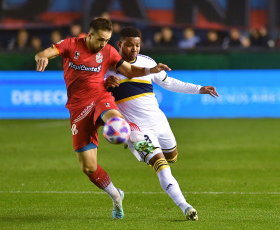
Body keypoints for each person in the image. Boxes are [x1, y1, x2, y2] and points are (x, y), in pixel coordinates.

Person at [35, 18, 170, 220]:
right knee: (88, 167)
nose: (103, 44)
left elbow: (130, 71)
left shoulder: (108, 51)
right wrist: (41, 56)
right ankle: (116, 196)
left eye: (107, 40)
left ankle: (139, 140)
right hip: (78, 109)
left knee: (116, 122)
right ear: (89, 35)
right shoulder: (71, 45)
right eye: (100, 40)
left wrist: (151, 70)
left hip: (101, 98)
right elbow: (45, 53)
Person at [104, 27, 219, 221]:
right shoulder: (107, 70)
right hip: (136, 130)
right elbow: (96, 94)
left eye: (137, 45)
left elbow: (169, 82)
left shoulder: (146, 62)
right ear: (119, 44)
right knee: (161, 165)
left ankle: (140, 151)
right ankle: (186, 207)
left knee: (172, 156)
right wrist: (105, 85)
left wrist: (199, 89)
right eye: (130, 44)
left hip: (160, 122)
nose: (134, 49)